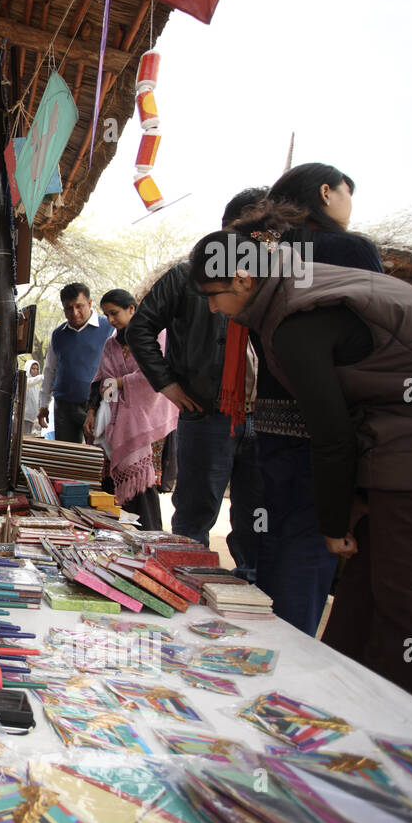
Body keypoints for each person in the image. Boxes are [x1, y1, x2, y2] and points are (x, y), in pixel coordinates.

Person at [187, 205, 412, 720]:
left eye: (213, 297)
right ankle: (358, 718)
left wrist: (334, 523)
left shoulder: (295, 320)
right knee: (366, 596)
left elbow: (330, 432)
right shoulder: (299, 289)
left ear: (243, 277)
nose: (214, 311)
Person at [247, 163, 385, 635]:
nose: (350, 203)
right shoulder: (352, 250)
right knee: (314, 540)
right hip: (327, 418)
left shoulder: (262, 254)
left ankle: (267, 642)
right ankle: (291, 659)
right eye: (348, 192)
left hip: (269, 415)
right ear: (326, 193)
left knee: (276, 536)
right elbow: (377, 333)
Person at [127, 188, 266, 577]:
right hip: (207, 410)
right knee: (194, 515)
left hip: (267, 415)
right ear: (228, 230)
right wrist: (167, 384)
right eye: (256, 232)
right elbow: (141, 329)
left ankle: (250, 592)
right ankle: (186, 584)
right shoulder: (185, 277)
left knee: (258, 515)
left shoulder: (276, 279)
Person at [83, 289, 178, 531]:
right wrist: (93, 411)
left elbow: (156, 374)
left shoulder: (156, 336)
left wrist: (121, 383)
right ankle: (116, 535)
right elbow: (102, 379)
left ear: (132, 309)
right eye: (107, 315)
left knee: (143, 483)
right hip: (115, 423)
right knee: (111, 480)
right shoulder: (111, 344)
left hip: (148, 422)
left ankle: (149, 535)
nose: (111, 320)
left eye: (115, 313)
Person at [36, 283, 111, 443]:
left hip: (96, 406)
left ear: (90, 303)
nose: (74, 313)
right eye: (69, 308)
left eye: (79, 306)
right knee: (66, 456)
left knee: (97, 456)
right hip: (63, 407)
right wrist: (43, 404)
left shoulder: (108, 329)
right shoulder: (58, 335)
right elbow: (50, 370)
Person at [22, 360, 43, 436]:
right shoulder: (24, 382)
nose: (35, 371)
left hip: (31, 419)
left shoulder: (36, 387)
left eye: (37, 369)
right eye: (33, 368)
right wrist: (43, 376)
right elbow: (30, 382)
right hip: (23, 418)